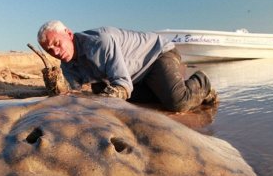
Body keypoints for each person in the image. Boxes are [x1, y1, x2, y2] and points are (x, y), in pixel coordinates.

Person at [36, 20, 217, 112]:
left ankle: (202, 82)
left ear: (68, 33)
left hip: (157, 55)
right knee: (100, 89)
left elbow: (122, 85)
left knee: (177, 102)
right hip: (135, 73)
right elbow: (72, 93)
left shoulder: (100, 42)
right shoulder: (67, 64)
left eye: (57, 44)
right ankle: (160, 89)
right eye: (49, 50)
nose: (55, 52)